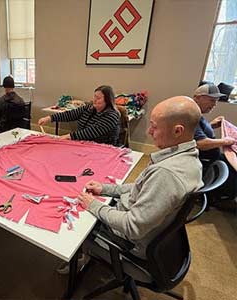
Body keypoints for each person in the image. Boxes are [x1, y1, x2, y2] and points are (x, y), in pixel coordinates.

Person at [57, 96, 203, 274]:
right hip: (146, 226)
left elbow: (132, 227)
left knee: (75, 220)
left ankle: (82, 257)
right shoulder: (188, 157)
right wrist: (105, 189)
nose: (149, 131)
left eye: (154, 127)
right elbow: (141, 187)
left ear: (177, 131)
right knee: (95, 199)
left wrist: (93, 205)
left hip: (129, 243)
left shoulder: (166, 175)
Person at [193, 83, 237, 202]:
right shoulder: (192, 117)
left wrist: (211, 125)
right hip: (207, 161)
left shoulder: (198, 115)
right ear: (197, 97)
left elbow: (197, 133)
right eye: (211, 100)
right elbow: (201, 143)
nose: (214, 104)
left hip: (213, 157)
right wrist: (225, 141)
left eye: (216, 100)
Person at [38, 85, 120, 145]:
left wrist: (69, 136)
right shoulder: (89, 108)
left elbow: (91, 132)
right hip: (83, 144)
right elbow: (71, 114)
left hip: (102, 149)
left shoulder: (111, 116)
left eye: (98, 98)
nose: (94, 100)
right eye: (94, 96)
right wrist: (49, 118)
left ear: (108, 101)